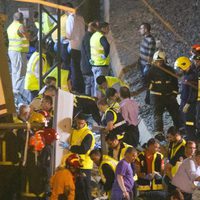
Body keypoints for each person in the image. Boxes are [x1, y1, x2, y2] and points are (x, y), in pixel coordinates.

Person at [146, 51, 180, 140]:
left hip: (169, 95)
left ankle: (179, 127)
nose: (158, 63)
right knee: (157, 114)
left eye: (160, 61)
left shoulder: (170, 70)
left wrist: (174, 94)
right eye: (157, 61)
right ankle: (159, 132)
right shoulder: (150, 71)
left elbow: (175, 83)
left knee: (175, 112)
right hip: (156, 96)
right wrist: (153, 86)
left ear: (164, 61)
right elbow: (145, 82)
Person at [60, 113, 95, 200]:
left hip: (84, 165)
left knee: (85, 190)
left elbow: (83, 149)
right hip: (74, 164)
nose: (79, 125)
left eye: (81, 123)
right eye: (78, 123)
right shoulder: (74, 131)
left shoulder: (88, 134)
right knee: (76, 189)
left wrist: (70, 147)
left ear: (85, 123)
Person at [7, 12, 30, 102]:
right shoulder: (20, 26)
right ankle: (17, 92)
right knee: (21, 73)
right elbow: (28, 37)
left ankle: (14, 89)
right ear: (21, 19)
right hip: (19, 51)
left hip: (12, 51)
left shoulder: (10, 26)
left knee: (15, 71)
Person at [174, 56, 198, 140]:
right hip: (184, 102)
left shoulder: (192, 76)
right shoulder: (187, 76)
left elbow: (193, 91)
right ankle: (191, 138)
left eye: (179, 68)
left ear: (184, 66)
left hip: (189, 104)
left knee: (189, 123)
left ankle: (193, 140)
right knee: (185, 122)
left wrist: (188, 103)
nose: (179, 70)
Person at [66, 3, 85, 93]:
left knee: (74, 68)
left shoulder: (70, 18)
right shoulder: (81, 18)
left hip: (73, 45)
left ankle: (76, 87)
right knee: (78, 68)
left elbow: (69, 34)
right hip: (80, 45)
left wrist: (63, 38)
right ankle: (81, 87)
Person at [90, 22, 110, 96]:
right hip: (102, 65)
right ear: (103, 28)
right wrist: (105, 55)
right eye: (107, 28)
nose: (108, 30)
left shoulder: (94, 36)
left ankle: (96, 100)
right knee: (102, 86)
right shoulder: (101, 37)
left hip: (95, 64)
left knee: (96, 84)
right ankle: (101, 103)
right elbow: (106, 46)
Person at [81, 21, 98, 96]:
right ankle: (91, 101)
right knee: (91, 84)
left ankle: (88, 100)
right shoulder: (89, 38)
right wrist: (93, 64)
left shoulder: (86, 36)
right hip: (89, 66)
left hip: (85, 66)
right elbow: (89, 52)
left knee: (88, 85)